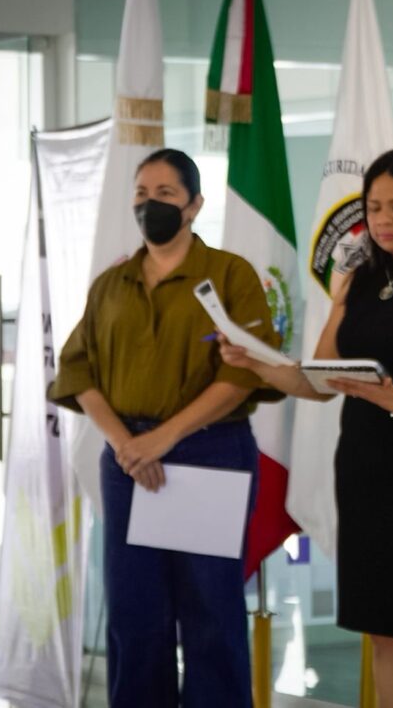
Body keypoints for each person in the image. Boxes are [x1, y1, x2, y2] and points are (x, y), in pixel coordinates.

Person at [220, 148, 393, 708]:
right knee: (382, 629)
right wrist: (257, 363)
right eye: (374, 208)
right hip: (366, 469)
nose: (385, 220)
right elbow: (319, 379)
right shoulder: (357, 279)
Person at [49, 149, 282, 707]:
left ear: (195, 204)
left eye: (165, 194)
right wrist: (128, 444)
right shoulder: (113, 283)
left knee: (210, 614)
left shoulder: (230, 275)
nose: (149, 204)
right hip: (128, 460)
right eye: (141, 193)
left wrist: (164, 438)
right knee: (135, 615)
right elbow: (78, 369)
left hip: (210, 455)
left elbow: (243, 372)